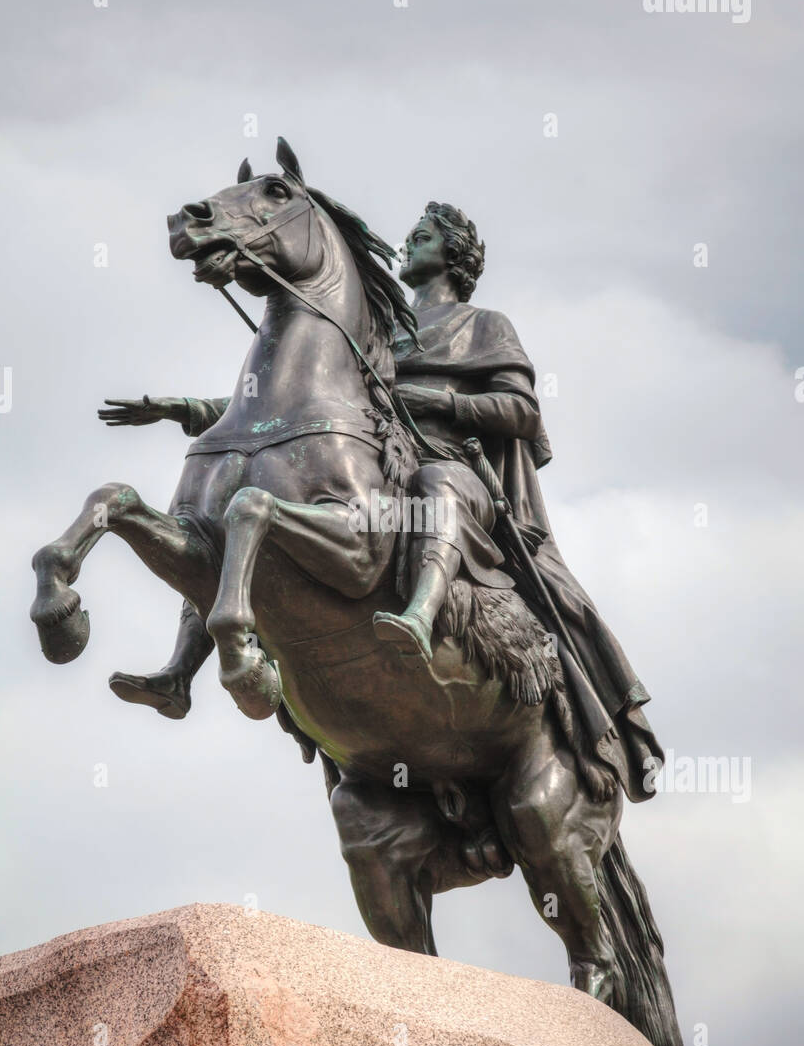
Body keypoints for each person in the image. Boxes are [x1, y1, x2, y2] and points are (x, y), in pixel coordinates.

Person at [99, 202, 662, 803]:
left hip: (449, 465)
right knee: (235, 499)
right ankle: (181, 670)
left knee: (434, 486)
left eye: (422, 237)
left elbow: (522, 412)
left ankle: (420, 614)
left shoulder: (484, 324)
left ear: (454, 254)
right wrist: (182, 410)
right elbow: (298, 409)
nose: (408, 244)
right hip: (372, 463)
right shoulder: (376, 329)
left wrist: (439, 402)